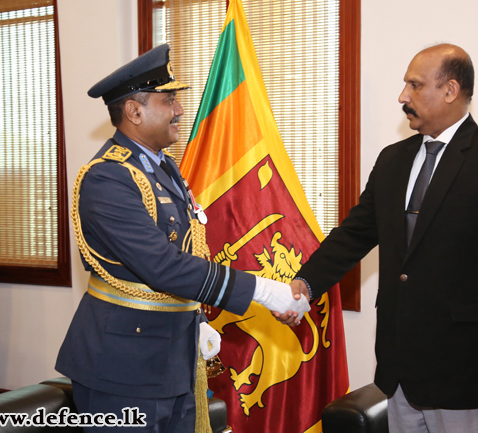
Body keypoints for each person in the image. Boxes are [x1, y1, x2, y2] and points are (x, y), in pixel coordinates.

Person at [284, 44, 478, 433]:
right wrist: (304, 284)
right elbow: (354, 234)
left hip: (467, 374)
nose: (402, 97)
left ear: (450, 90)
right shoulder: (393, 160)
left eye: (415, 85)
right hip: (400, 374)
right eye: (404, 85)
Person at [55, 44, 309, 433]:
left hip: (174, 356)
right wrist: (265, 292)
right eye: (168, 100)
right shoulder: (107, 178)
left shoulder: (164, 169)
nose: (179, 110)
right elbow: (163, 266)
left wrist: (193, 319)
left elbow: (190, 248)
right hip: (123, 367)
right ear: (134, 111)